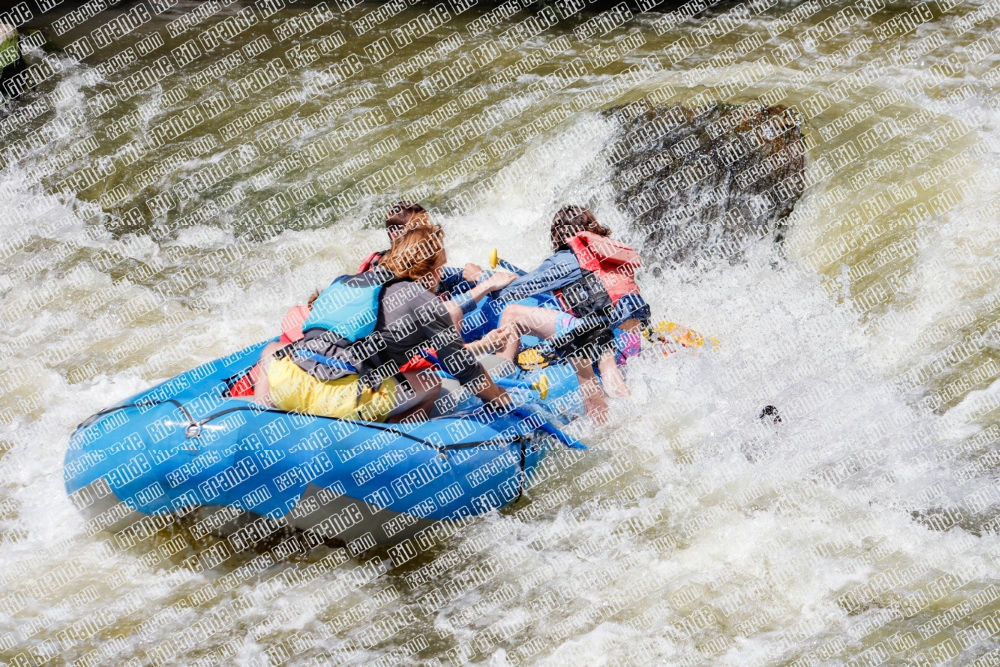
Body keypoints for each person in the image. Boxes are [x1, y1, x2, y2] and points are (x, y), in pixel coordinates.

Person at [253, 224, 512, 423]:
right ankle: (390, 440)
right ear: (428, 271)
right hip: (341, 401)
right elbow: (464, 369)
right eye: (440, 267)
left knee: (271, 352)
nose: (442, 275)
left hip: (288, 382)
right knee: (432, 384)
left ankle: (260, 419)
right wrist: (499, 397)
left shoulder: (344, 281)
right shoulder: (424, 302)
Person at [491, 206, 650, 423]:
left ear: (557, 235)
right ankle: (635, 417)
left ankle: (500, 384)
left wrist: (489, 281)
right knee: (601, 358)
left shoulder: (566, 257)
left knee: (512, 313)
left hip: (598, 335)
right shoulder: (605, 251)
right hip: (629, 344)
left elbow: (510, 293)